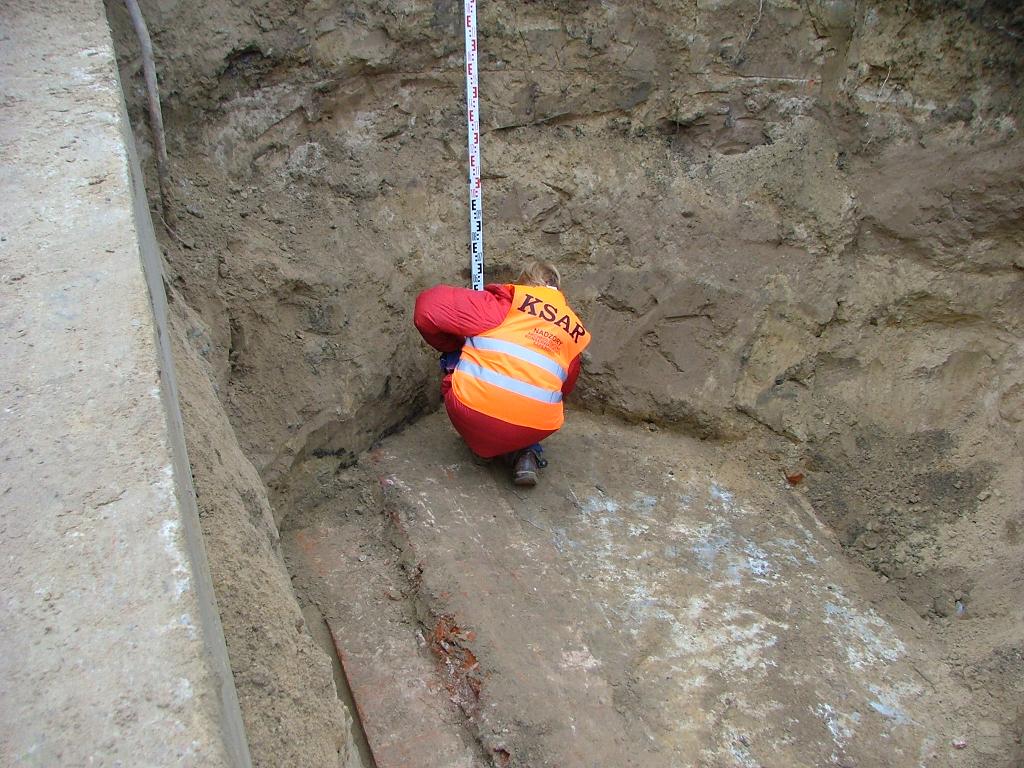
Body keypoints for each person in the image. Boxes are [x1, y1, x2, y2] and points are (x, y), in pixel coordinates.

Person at [413, 260, 591, 486]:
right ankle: (525, 452)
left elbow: (426, 309)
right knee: (534, 396)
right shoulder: (572, 329)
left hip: (471, 412)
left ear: (524, 283)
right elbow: (564, 388)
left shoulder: (505, 304)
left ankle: (484, 438)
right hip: (536, 427)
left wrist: (452, 346)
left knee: (464, 344)